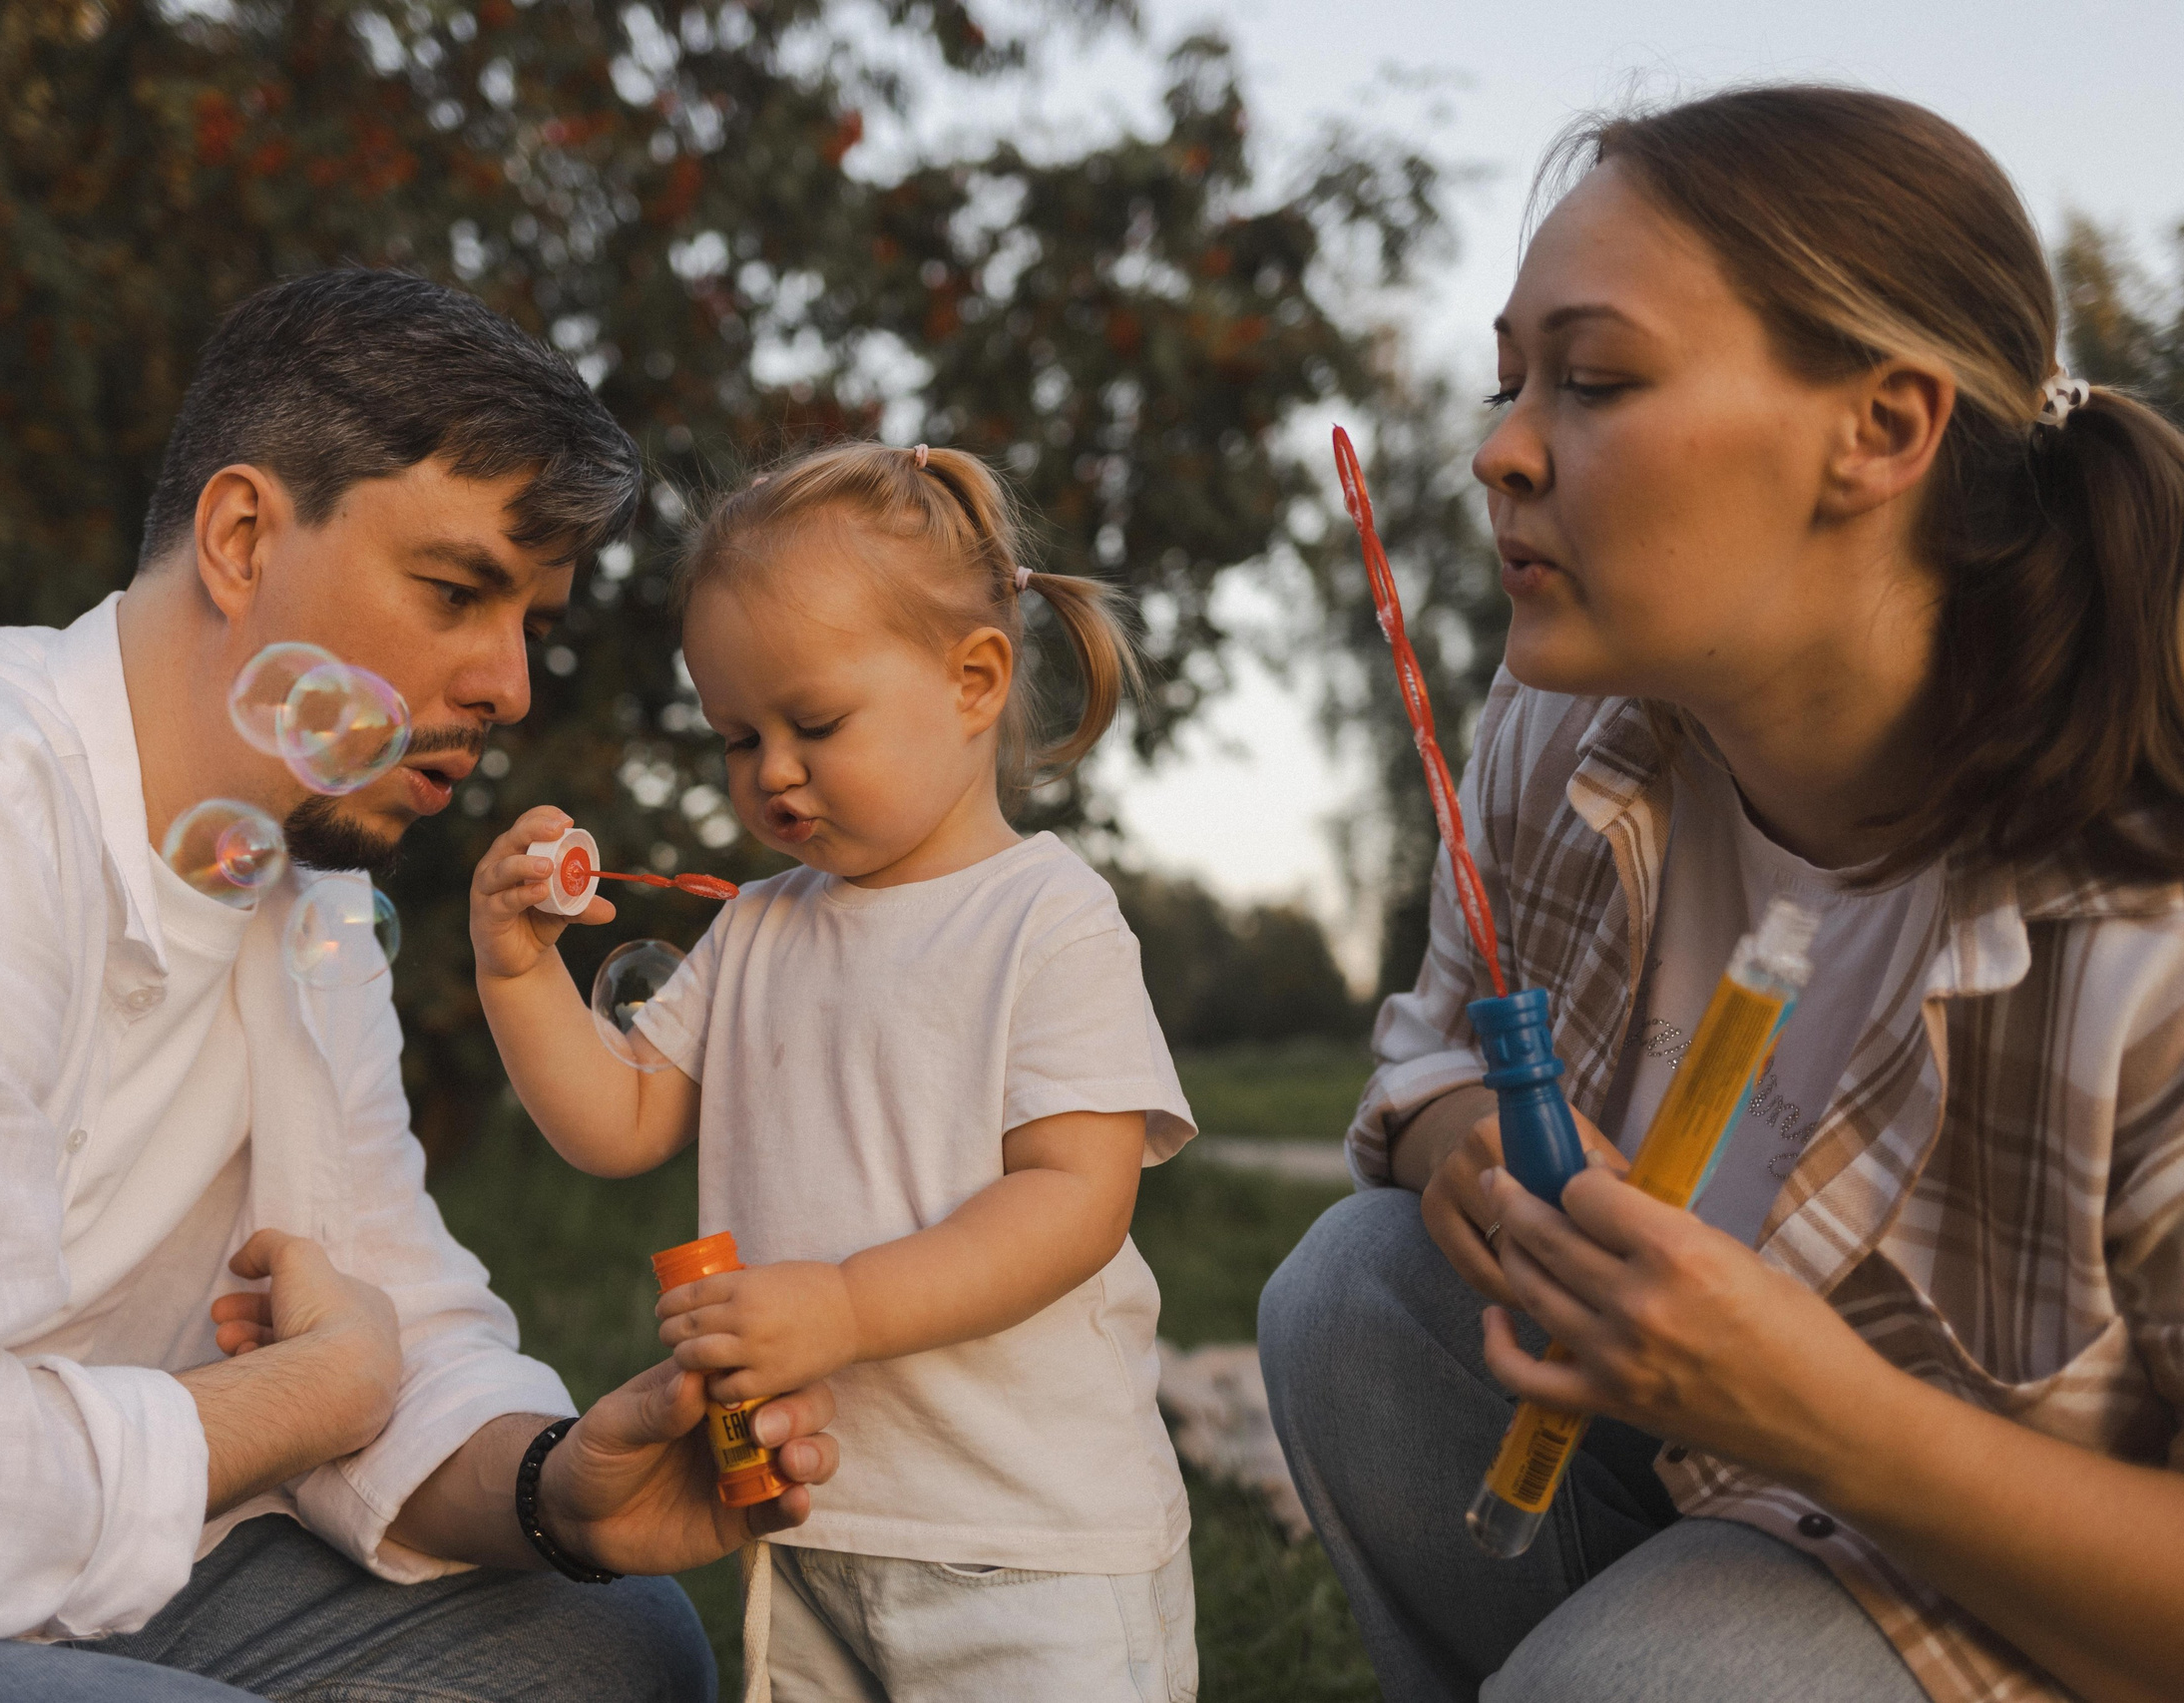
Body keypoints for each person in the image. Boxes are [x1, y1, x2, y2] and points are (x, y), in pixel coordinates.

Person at [0, 268, 842, 1703]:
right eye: (457, 590)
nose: (510, 682)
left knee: (611, 1636)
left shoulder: (303, 893)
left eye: (533, 618)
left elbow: (392, 1299)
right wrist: (315, 1389)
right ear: (243, 534)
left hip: (42, 1571)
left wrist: (557, 1485)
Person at [1258, 85, 2184, 1703]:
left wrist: (1815, 1410)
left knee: (1641, 1680)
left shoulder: (2141, 905)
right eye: (1508, 379)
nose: (1497, 449)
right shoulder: (1559, 733)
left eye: (1594, 380)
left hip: (2026, 1593)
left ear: (1882, 431)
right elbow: (1420, 1065)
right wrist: (1469, 1150)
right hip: (1709, 1475)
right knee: (1354, 1290)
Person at [469, 443, 1201, 1700]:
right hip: (805, 1518)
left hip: (1027, 1542)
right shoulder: (759, 926)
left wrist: (848, 1308)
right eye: (737, 736)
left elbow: (1076, 1203)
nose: (773, 772)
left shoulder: (1047, 919)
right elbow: (620, 1119)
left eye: (815, 723)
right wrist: (517, 975)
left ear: (973, 680)